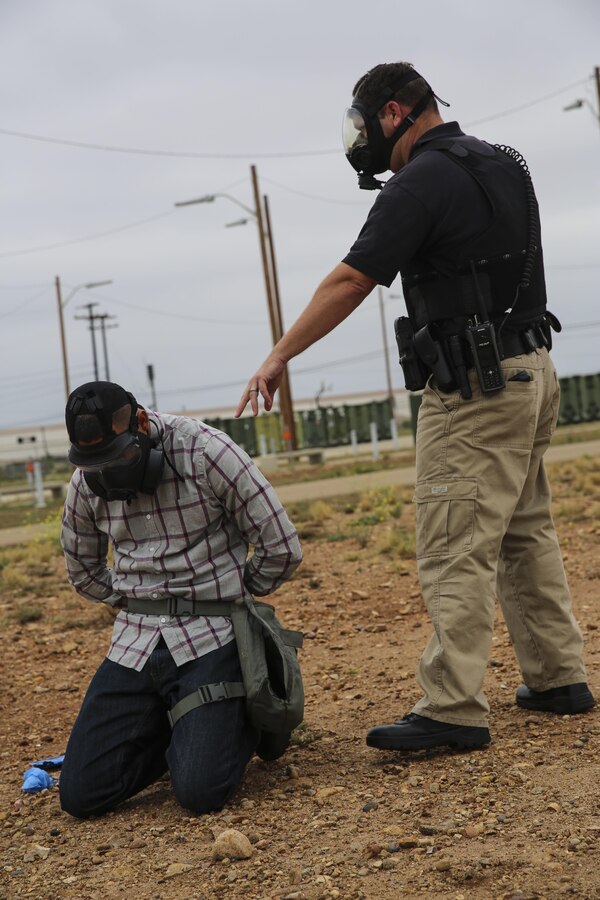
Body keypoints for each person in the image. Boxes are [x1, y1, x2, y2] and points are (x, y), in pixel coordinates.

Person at [236, 61, 594, 753]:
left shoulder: (421, 181)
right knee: (525, 530)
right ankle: (558, 677)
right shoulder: (502, 163)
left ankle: (453, 708)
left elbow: (351, 279)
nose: (362, 138)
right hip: (533, 370)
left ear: (396, 114)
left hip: (478, 389)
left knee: (454, 542)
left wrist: (280, 355)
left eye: (366, 124)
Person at [59, 380, 302, 818]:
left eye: (120, 457)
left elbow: (280, 546)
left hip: (214, 635)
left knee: (199, 793)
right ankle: (183, 723)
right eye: (95, 465)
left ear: (142, 424)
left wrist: (232, 592)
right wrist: (135, 600)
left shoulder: (206, 451)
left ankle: (245, 717)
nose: (108, 473)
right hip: (135, 643)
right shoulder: (84, 481)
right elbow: (83, 571)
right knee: (81, 796)